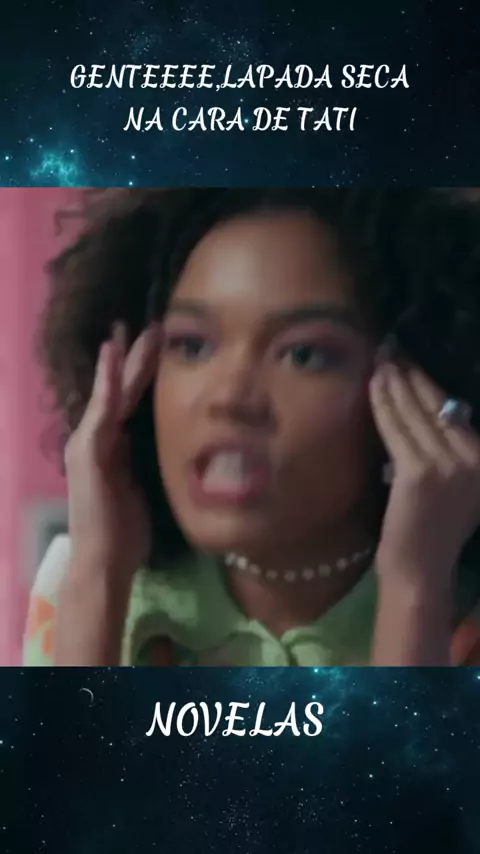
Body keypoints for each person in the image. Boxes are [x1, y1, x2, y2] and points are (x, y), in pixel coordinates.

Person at [23, 188, 480, 667]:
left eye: (303, 354)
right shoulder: (83, 586)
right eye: (192, 346)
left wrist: (416, 590)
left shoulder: (458, 610)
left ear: (421, 385)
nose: (229, 397)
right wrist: (99, 575)